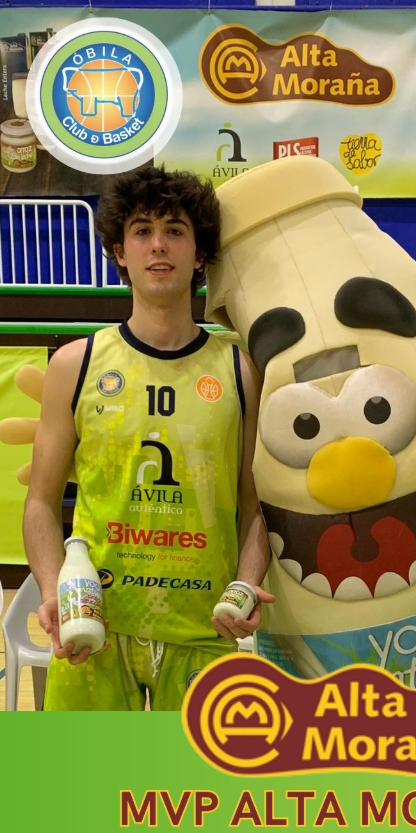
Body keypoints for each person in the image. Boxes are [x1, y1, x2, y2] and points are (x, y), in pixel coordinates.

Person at [23, 165, 272, 710]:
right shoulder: (75, 364)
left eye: (175, 230)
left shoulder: (241, 371)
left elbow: (255, 507)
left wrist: (248, 582)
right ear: (120, 251)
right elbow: (41, 501)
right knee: (77, 770)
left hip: (204, 630)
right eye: (142, 230)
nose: (158, 244)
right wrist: (50, 588)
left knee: (189, 773)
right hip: (96, 625)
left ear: (200, 254)